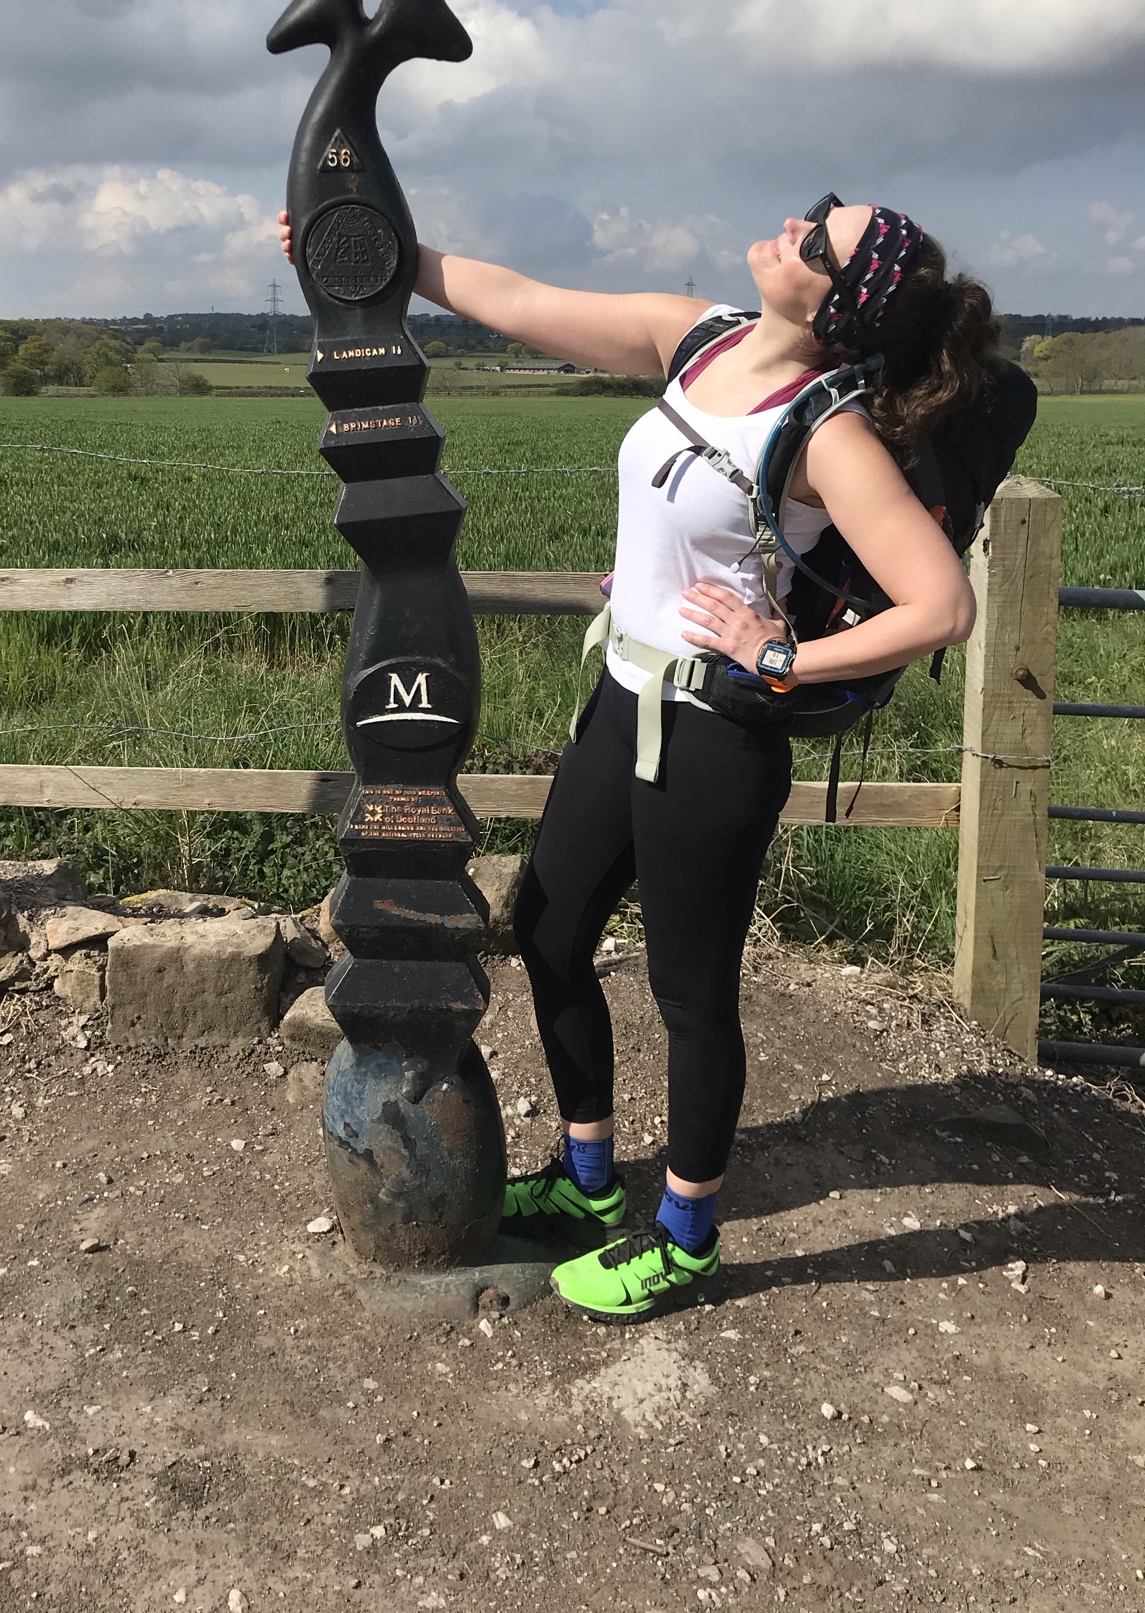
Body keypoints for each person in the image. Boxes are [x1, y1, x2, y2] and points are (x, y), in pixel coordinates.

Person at [277, 199, 995, 1321]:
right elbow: (519, 302)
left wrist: (782, 653)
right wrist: (373, 256)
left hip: (716, 731)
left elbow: (939, 603)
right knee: (552, 929)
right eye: (814, 210)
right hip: (623, 697)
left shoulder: (826, 429)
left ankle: (687, 1235)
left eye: (817, 241)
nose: (788, 228)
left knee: (690, 993)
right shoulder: (696, 334)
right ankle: (589, 1173)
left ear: (838, 302)